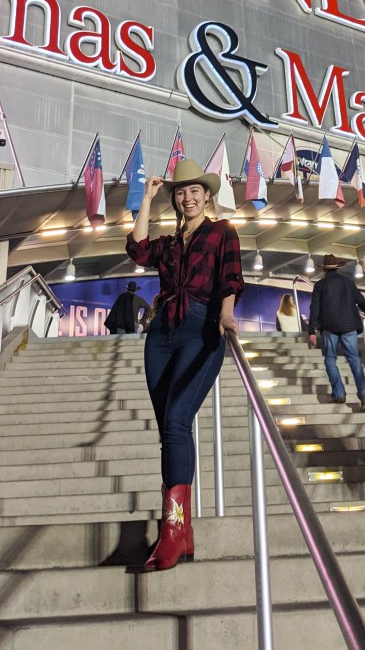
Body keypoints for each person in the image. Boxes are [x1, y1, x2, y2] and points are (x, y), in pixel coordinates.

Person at [126, 159, 244, 571]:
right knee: (168, 430)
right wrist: (146, 199)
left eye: (195, 190)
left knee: (177, 420)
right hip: (161, 333)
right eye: (180, 192)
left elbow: (230, 278)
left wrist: (226, 316)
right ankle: (183, 532)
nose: (187, 197)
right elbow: (137, 249)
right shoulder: (170, 243)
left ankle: (172, 533)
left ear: (207, 196)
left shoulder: (222, 231)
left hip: (201, 328)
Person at [308, 254, 365, 411]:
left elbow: (314, 309)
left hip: (329, 327)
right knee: (354, 360)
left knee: (330, 359)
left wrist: (311, 331)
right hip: (349, 325)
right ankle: (364, 395)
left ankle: (339, 394)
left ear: (323, 268)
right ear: (337, 267)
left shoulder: (320, 285)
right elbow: (360, 299)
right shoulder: (348, 282)